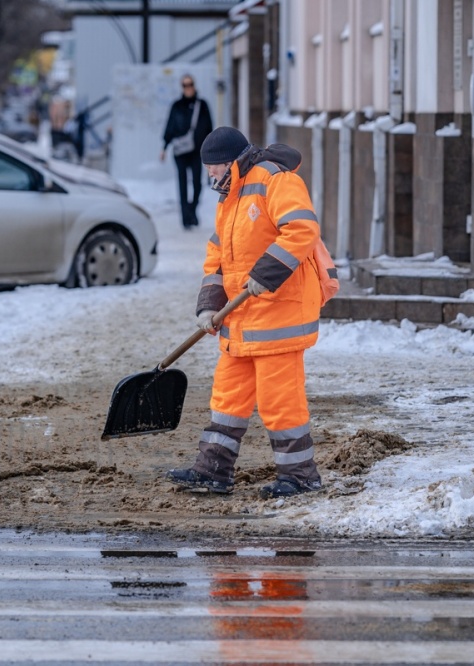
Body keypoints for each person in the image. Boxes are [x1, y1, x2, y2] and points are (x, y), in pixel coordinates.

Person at [165, 126, 329, 500]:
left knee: (280, 403)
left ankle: (300, 477)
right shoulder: (229, 197)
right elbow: (217, 255)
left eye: (215, 167)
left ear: (233, 162)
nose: (210, 175)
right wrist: (209, 304)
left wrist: (264, 274)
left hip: (278, 317)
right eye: (207, 168)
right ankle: (213, 470)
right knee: (227, 399)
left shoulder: (276, 181)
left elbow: (302, 230)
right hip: (239, 319)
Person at [161, 75, 213, 229]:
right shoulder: (176, 106)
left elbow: (209, 128)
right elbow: (169, 127)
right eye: (184, 85)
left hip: (197, 151)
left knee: (197, 184)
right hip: (180, 152)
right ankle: (186, 219)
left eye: (190, 84)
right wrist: (164, 147)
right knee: (182, 183)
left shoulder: (202, 105)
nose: (188, 87)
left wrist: (210, 149)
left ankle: (191, 210)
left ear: (194, 86)